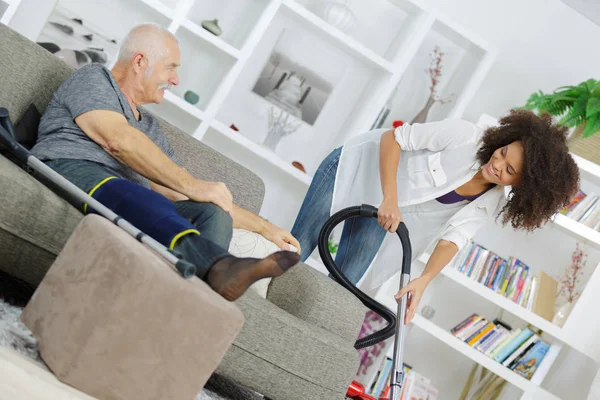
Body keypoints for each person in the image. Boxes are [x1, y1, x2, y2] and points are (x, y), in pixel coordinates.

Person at [30, 23, 301, 301]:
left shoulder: (149, 127)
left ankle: (195, 294)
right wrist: (192, 184)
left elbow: (179, 190)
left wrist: (267, 228)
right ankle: (217, 269)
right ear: (139, 62)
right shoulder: (95, 79)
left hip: (125, 195)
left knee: (212, 210)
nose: (175, 80)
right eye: (171, 67)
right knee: (148, 198)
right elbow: (118, 140)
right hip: (69, 169)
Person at [291, 110, 579, 323]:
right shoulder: (465, 135)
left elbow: (454, 239)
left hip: (378, 213)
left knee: (343, 289)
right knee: (295, 250)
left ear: (523, 185)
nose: (498, 164)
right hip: (351, 171)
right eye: (503, 153)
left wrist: (424, 279)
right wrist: (390, 198)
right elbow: (393, 138)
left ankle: (293, 337)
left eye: (510, 171)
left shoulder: (488, 202)